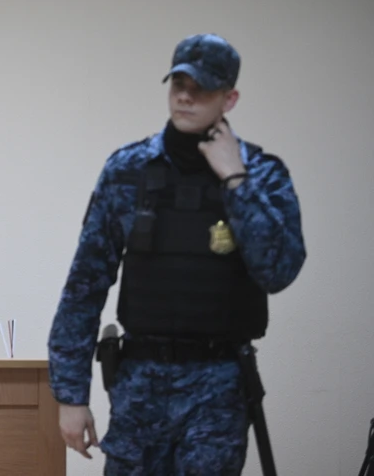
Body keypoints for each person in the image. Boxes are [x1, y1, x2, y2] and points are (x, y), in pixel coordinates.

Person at [47, 33, 306, 474]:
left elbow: (277, 271)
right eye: (179, 85)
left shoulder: (261, 174)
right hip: (139, 384)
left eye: (201, 88)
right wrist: (71, 396)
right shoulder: (128, 170)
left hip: (218, 390)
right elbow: (84, 285)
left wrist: (235, 180)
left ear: (229, 98)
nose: (185, 97)